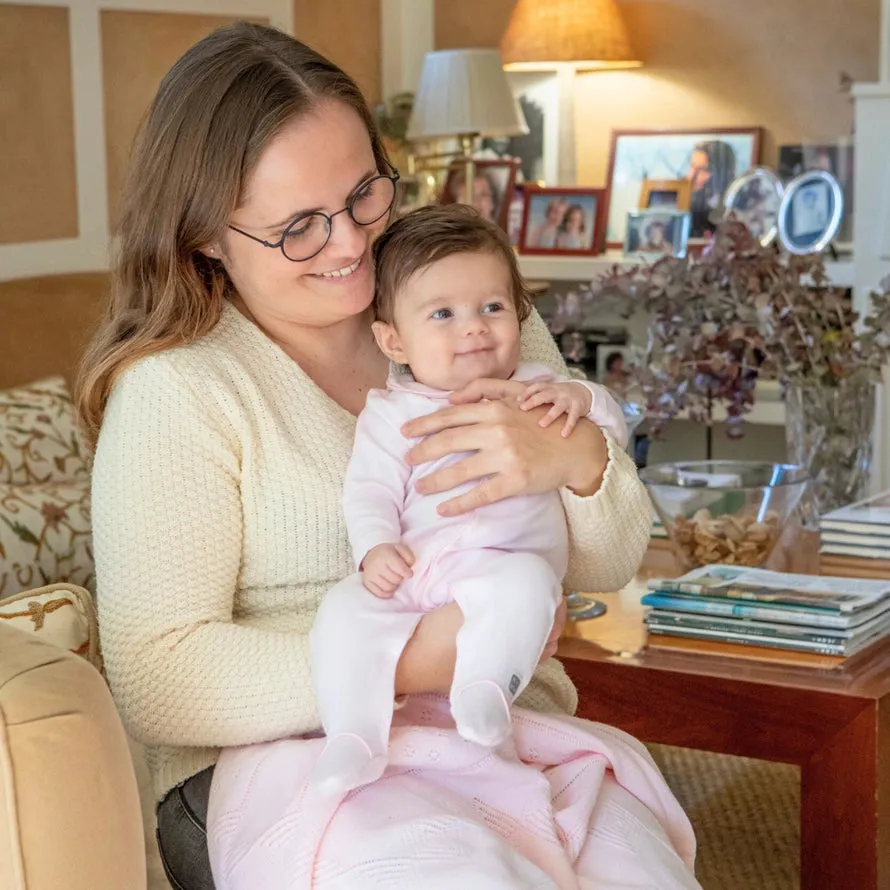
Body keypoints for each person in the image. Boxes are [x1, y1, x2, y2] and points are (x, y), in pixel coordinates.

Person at [78, 21, 698, 889]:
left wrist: (575, 461)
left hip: (504, 733)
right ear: (206, 237)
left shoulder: (473, 314)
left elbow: (606, 565)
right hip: (279, 765)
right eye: (299, 227)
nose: (350, 243)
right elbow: (159, 675)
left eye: (366, 194)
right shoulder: (181, 390)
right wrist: (419, 659)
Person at [308, 204, 629, 794]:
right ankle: (354, 737)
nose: (475, 327)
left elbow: (614, 428)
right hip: (415, 570)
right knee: (343, 614)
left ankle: (484, 690)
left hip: (503, 565)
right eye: (443, 314)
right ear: (393, 340)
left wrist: (582, 400)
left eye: (492, 307)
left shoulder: (535, 389)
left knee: (530, 588)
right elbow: (370, 488)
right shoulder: (389, 411)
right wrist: (375, 548)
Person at [686, 140, 737, 238]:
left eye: (702, 170)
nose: (691, 176)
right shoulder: (685, 206)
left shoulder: (732, 211)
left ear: (722, 174)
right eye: (692, 166)